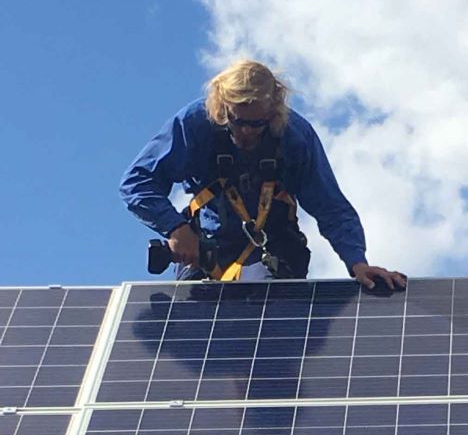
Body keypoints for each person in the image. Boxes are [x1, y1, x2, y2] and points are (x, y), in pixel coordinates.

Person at [120, 59, 405, 290]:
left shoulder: (295, 136)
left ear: (275, 106)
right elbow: (137, 182)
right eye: (238, 121)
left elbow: (330, 205)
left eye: (257, 123)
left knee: (272, 348)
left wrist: (357, 261)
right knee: (198, 342)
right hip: (207, 251)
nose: (246, 132)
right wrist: (176, 229)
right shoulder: (195, 123)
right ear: (222, 105)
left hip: (276, 253)